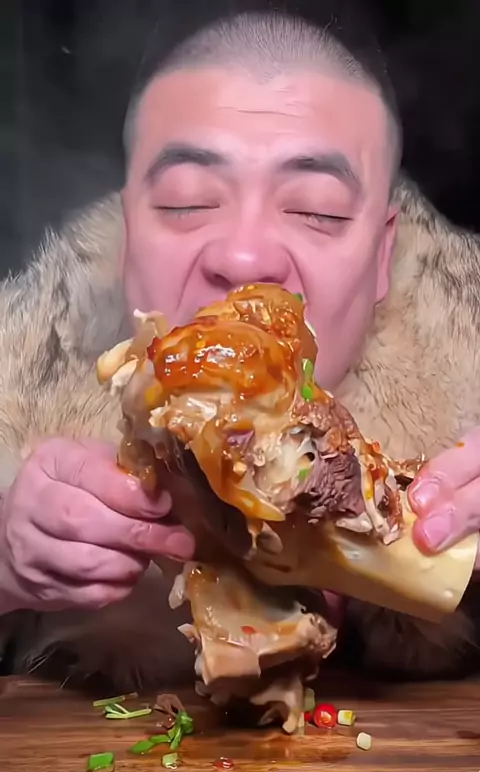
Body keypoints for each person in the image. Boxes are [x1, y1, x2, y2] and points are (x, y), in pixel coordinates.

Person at [1, 11, 480, 687]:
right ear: (128, 232)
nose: (245, 257)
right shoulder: (17, 406)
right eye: (187, 201)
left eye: (317, 209)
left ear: (382, 256)